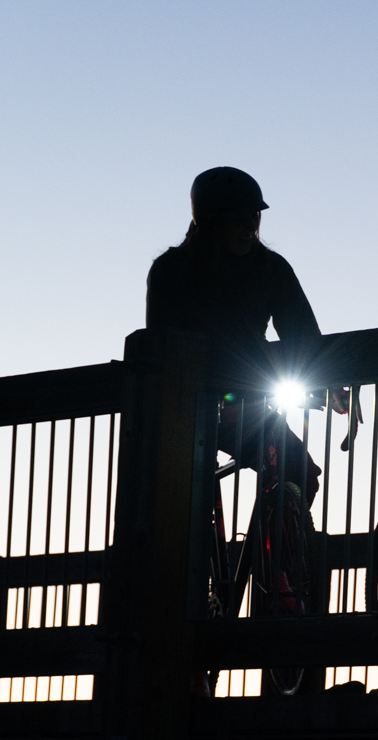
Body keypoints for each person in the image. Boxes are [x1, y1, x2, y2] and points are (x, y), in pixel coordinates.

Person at [146, 166, 327, 503]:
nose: (251, 225)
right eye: (239, 218)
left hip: (247, 407)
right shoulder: (171, 271)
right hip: (183, 409)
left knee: (300, 475)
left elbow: (304, 336)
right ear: (212, 222)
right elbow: (162, 347)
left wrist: (331, 379)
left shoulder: (271, 269)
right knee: (178, 493)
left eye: (255, 215)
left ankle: (274, 545)